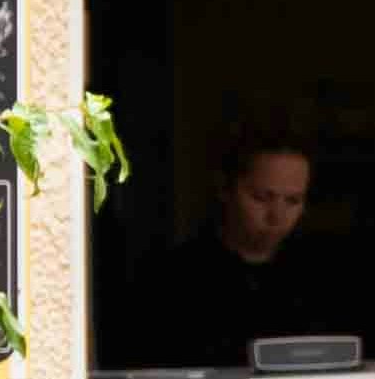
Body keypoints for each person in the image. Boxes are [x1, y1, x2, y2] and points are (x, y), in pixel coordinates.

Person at [134, 129, 325, 365]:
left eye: (293, 201)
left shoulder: (320, 280)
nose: (277, 215)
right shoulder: (173, 279)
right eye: (261, 197)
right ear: (225, 189)